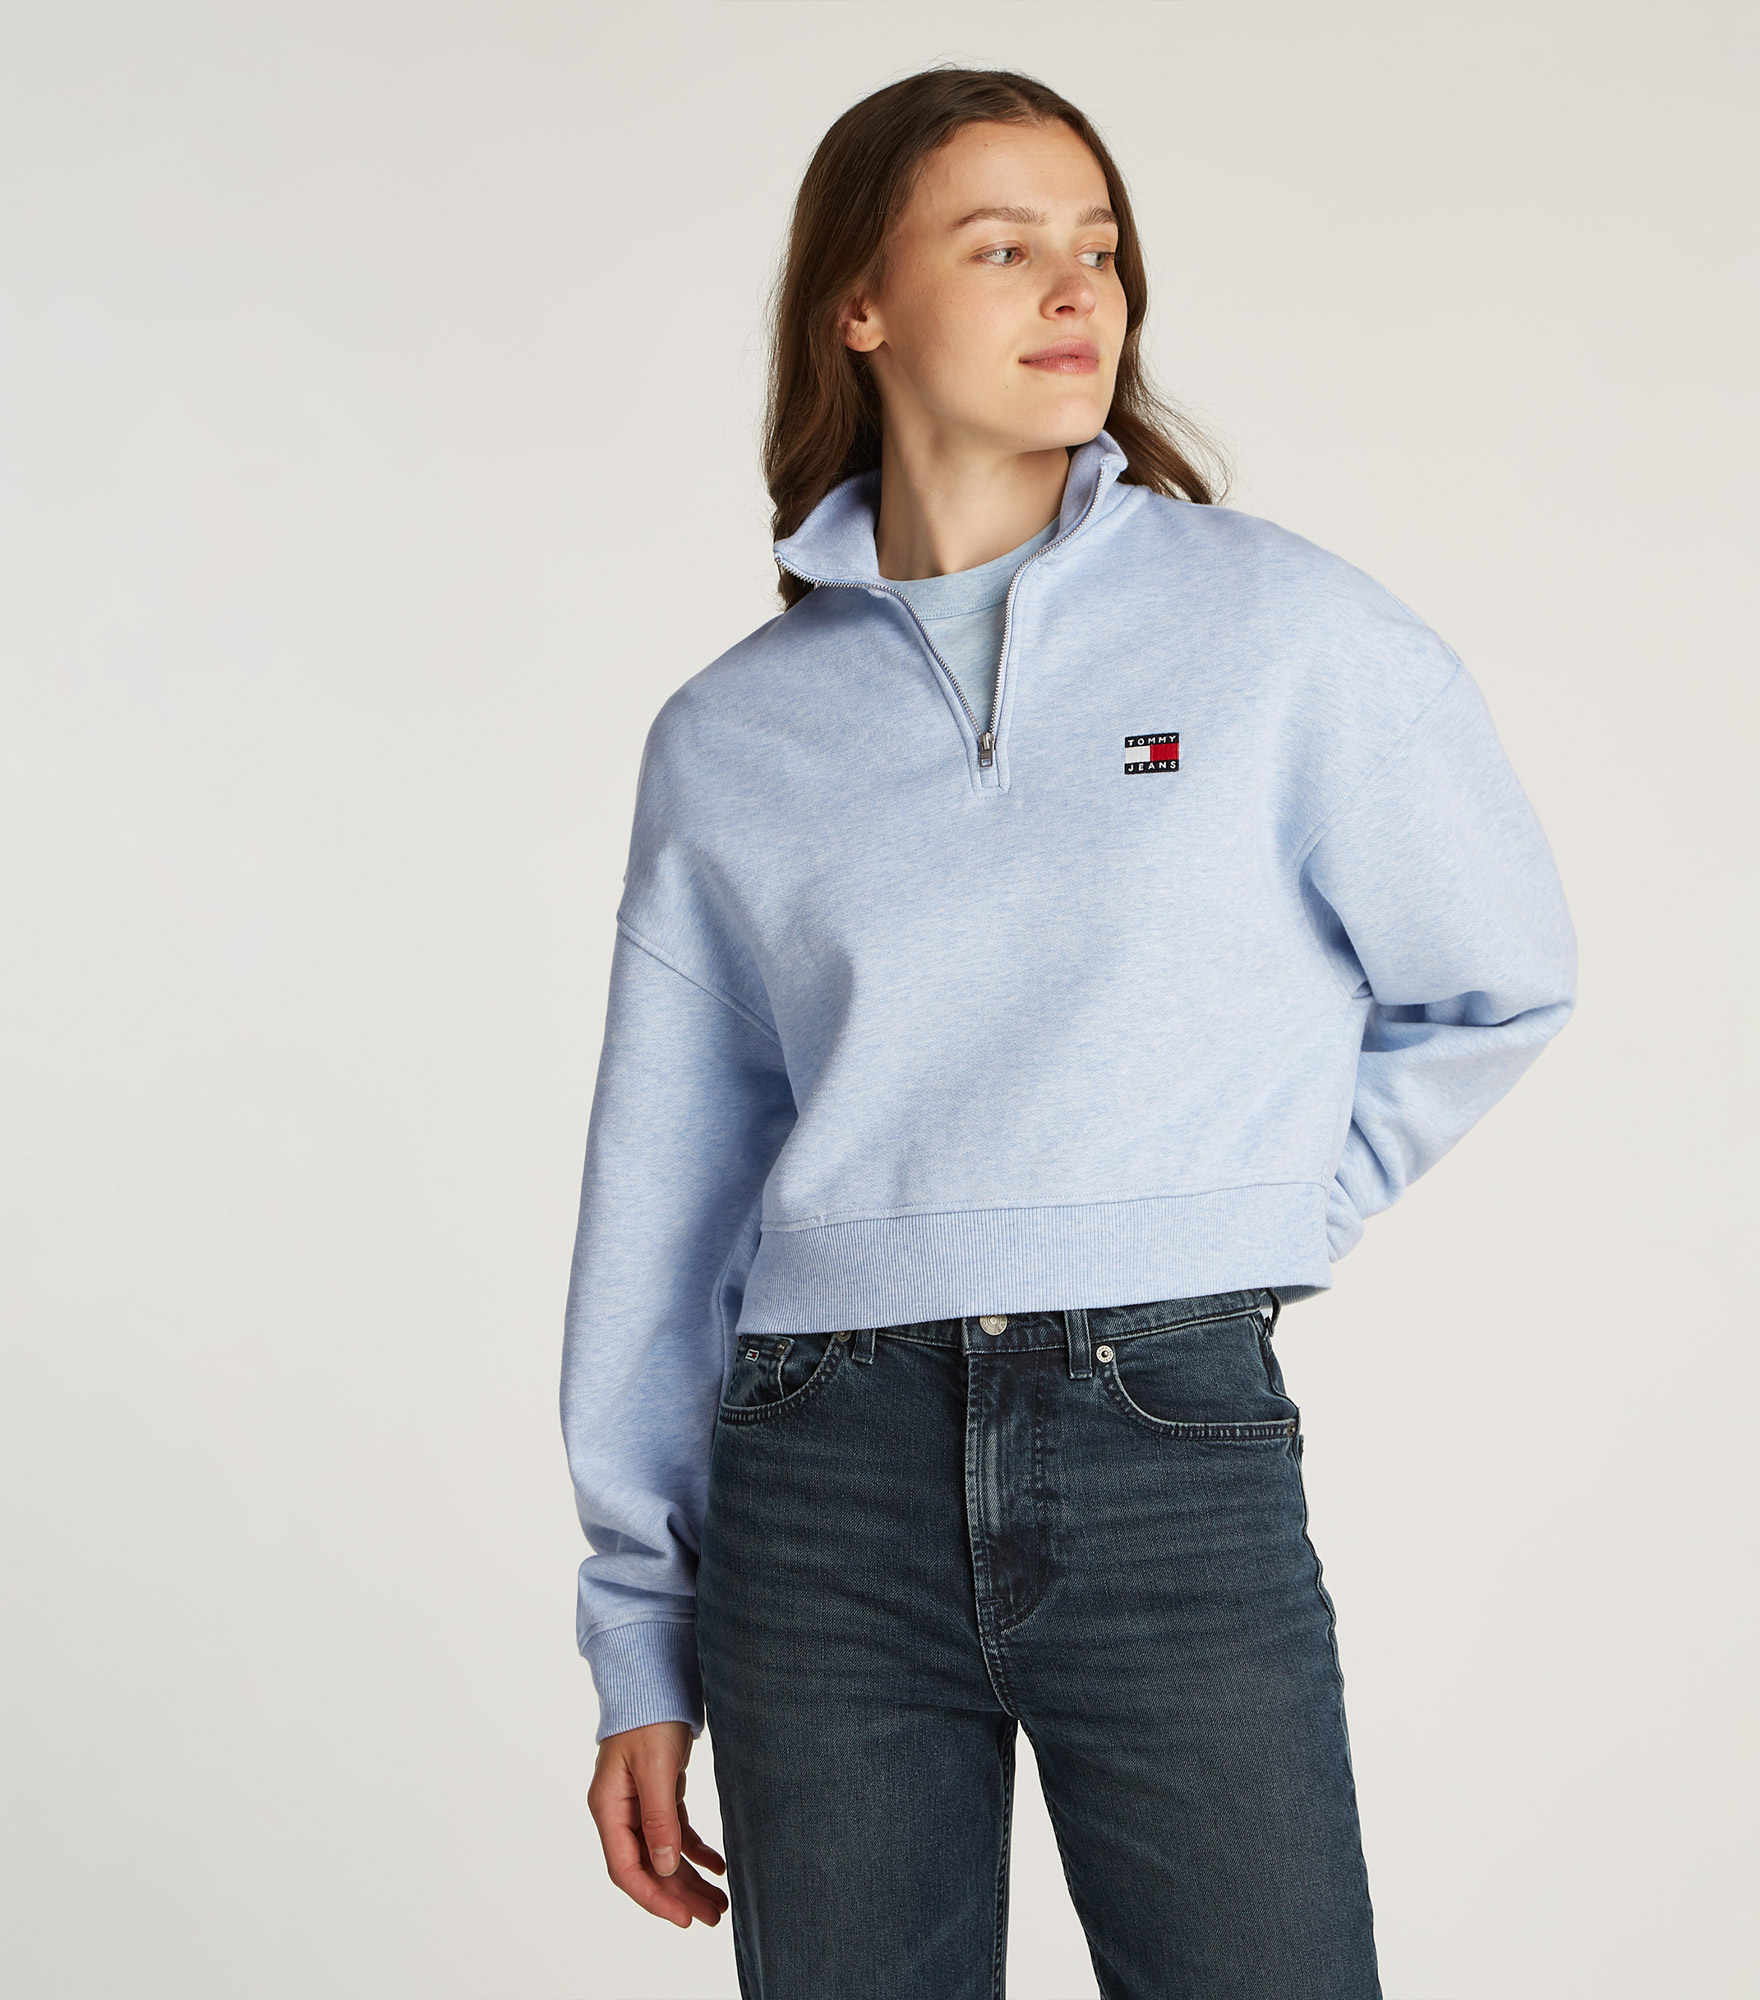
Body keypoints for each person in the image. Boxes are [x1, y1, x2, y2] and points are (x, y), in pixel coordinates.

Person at [560, 66, 1575, 2000]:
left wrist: (1248, 1215)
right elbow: (666, 1193)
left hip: (1163, 1438)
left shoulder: (1283, 633)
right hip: (815, 1486)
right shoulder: (734, 735)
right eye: (1002, 245)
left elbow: (1495, 973)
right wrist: (636, 1629)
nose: (1074, 287)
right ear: (861, 305)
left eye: (1098, 246)